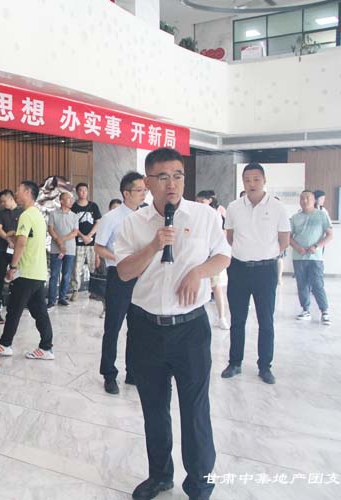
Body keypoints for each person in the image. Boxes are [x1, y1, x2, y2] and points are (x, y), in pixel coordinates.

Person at [115, 148, 230, 500]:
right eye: (163, 177)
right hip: (146, 327)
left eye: (178, 176)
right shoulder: (133, 223)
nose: (172, 184)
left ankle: (199, 483)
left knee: (195, 410)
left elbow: (223, 255)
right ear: (147, 182)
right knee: (154, 409)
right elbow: (124, 272)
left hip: (190, 328)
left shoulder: (204, 215)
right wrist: (153, 245)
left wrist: (199, 272)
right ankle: (160, 475)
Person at [222, 163, 290, 385]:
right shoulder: (233, 207)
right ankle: (235, 362)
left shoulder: (278, 208)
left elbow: (284, 240)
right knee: (237, 320)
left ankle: (265, 366)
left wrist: (264, 254)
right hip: (238, 269)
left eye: (256, 179)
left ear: (264, 181)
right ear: (242, 182)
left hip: (265, 270)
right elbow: (230, 237)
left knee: (266, 320)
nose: (252, 184)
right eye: (247, 180)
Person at [95, 172, 146, 395]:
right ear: (126, 193)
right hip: (118, 275)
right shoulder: (111, 218)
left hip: (141, 276)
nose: (144, 194)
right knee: (113, 327)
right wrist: (121, 258)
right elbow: (99, 247)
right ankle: (109, 374)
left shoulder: (146, 215)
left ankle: (133, 372)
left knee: (137, 327)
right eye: (139, 190)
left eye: (145, 190)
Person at [0, 181, 55, 360]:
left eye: (19, 190)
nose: (16, 193)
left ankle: (4, 344)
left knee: (14, 310)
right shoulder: (37, 214)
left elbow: (21, 243)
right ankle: (46, 347)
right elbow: (27, 239)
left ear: (28, 192)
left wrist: (13, 267)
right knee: (39, 311)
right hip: (38, 272)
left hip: (26, 272)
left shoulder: (26, 215)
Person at [290, 190, 333, 324]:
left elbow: (330, 235)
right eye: (302, 198)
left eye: (308, 198)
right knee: (302, 284)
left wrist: (317, 246)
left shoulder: (322, 215)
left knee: (317, 284)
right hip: (299, 257)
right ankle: (305, 310)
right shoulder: (295, 218)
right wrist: (297, 247)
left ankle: (324, 311)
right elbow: (288, 237)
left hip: (315, 257)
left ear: (314, 200)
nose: (304, 201)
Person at [196, 190, 230, 329]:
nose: (199, 204)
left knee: (216, 286)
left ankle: (222, 317)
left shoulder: (218, 213)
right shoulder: (197, 215)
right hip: (199, 256)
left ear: (210, 200)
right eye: (198, 201)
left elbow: (224, 233)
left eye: (202, 201)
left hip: (213, 256)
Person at [69, 182, 102, 301]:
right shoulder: (73, 207)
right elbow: (72, 225)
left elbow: (98, 222)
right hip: (78, 242)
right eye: (81, 190)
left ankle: (95, 291)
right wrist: (83, 236)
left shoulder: (93, 206)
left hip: (92, 243)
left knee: (93, 267)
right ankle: (75, 290)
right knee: (76, 268)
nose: (83, 193)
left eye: (85, 191)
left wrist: (89, 235)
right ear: (77, 192)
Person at [47, 191, 79, 307]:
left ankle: (62, 297)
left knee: (66, 274)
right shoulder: (53, 214)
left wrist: (62, 239)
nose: (71, 201)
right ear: (61, 201)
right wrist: (58, 241)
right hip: (56, 249)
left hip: (70, 249)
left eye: (71, 199)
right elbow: (50, 229)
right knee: (54, 275)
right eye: (69, 199)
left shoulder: (74, 216)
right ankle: (51, 300)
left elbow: (75, 232)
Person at [0, 189, 22, 319]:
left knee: (17, 277)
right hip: (2, 249)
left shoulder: (22, 212)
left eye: (4, 201)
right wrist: (7, 239)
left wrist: (15, 241)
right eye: (1, 202)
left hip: (17, 250)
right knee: (0, 277)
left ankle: (16, 306)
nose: (2, 204)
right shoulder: (1, 213)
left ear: (11, 198)